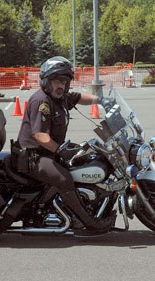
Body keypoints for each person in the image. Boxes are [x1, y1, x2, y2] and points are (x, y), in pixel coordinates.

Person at [16, 56, 114, 233]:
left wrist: (101, 100)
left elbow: (79, 98)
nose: (61, 85)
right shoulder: (42, 102)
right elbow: (39, 135)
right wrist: (60, 150)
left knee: (88, 156)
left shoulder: (60, 97)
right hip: (34, 156)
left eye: (64, 81)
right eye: (56, 81)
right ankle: (87, 221)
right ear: (46, 81)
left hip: (50, 151)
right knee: (64, 179)